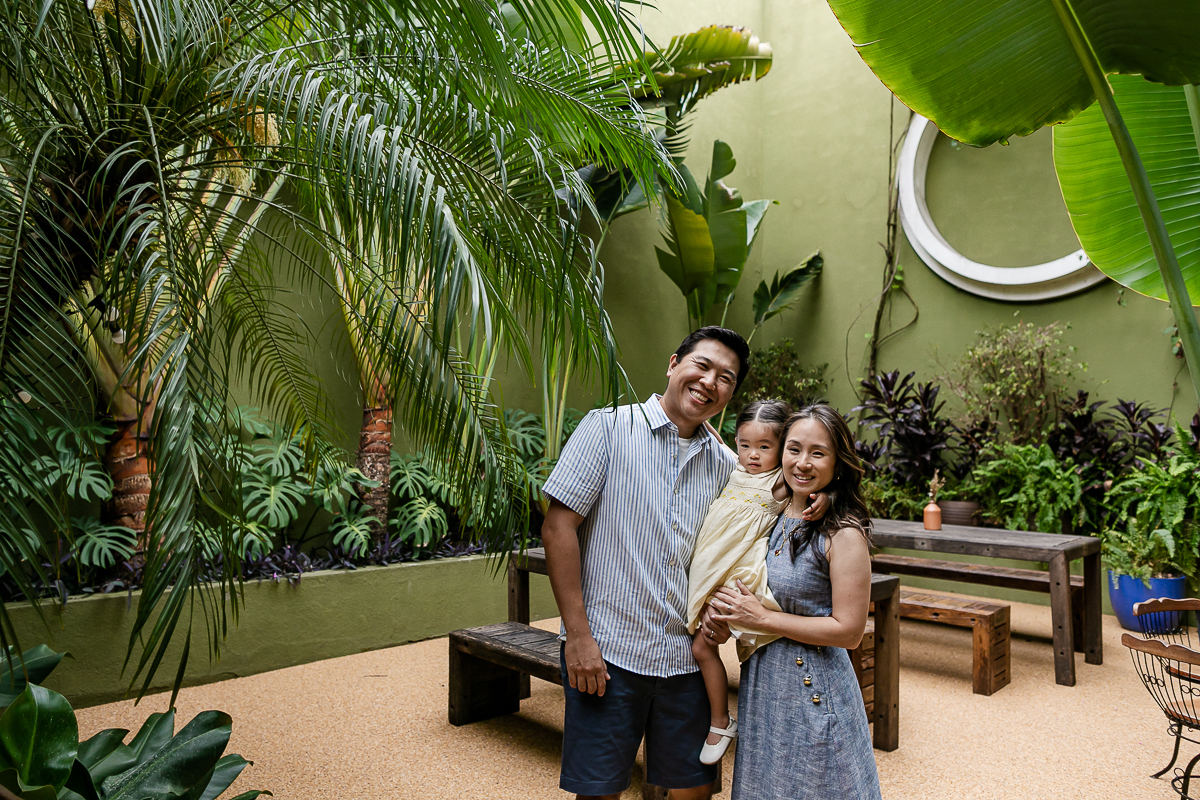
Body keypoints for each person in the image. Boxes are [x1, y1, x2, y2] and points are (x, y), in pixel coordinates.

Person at [541, 327, 749, 800]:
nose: (709, 382)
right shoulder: (609, 427)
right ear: (674, 364)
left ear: (731, 394)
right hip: (608, 654)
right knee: (599, 792)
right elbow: (558, 528)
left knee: (693, 792)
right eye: (702, 365)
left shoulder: (725, 466)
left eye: (725, 378)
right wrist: (578, 637)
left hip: (686, 663)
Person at [709, 403, 882, 800]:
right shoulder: (769, 508)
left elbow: (850, 632)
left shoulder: (843, 533)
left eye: (818, 453)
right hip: (763, 687)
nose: (803, 463)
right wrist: (723, 615)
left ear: (838, 462)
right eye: (794, 449)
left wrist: (762, 618)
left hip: (812, 687)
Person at [684, 400, 830, 766]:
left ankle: (720, 721)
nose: (752, 455)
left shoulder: (778, 481)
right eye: (745, 444)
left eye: (765, 447)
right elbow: (709, 434)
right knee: (703, 645)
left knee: (706, 646)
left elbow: (820, 475)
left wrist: (828, 497)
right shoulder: (732, 467)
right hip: (711, 570)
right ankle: (725, 718)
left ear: (782, 449)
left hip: (738, 575)